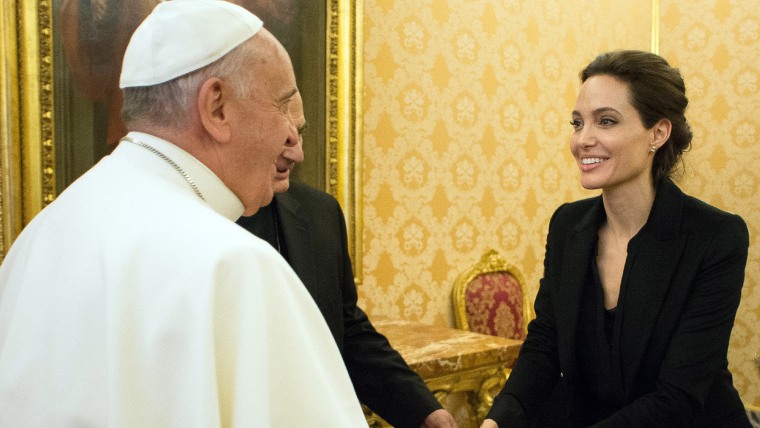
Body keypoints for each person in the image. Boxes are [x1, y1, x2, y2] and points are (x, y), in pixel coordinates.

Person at [0, 1, 367, 426]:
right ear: (216, 107)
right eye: (283, 105)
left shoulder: (40, 235)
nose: (295, 142)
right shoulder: (233, 264)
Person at [482, 50, 751, 428]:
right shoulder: (567, 226)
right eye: (577, 123)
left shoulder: (716, 237)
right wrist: (498, 420)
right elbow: (544, 345)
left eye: (605, 121)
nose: (583, 140)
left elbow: (678, 396)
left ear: (657, 133)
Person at [237, 91, 458, 428]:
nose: (298, 153)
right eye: (284, 138)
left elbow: (348, 331)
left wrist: (424, 411)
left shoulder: (319, 213)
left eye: (300, 134)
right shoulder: (187, 223)